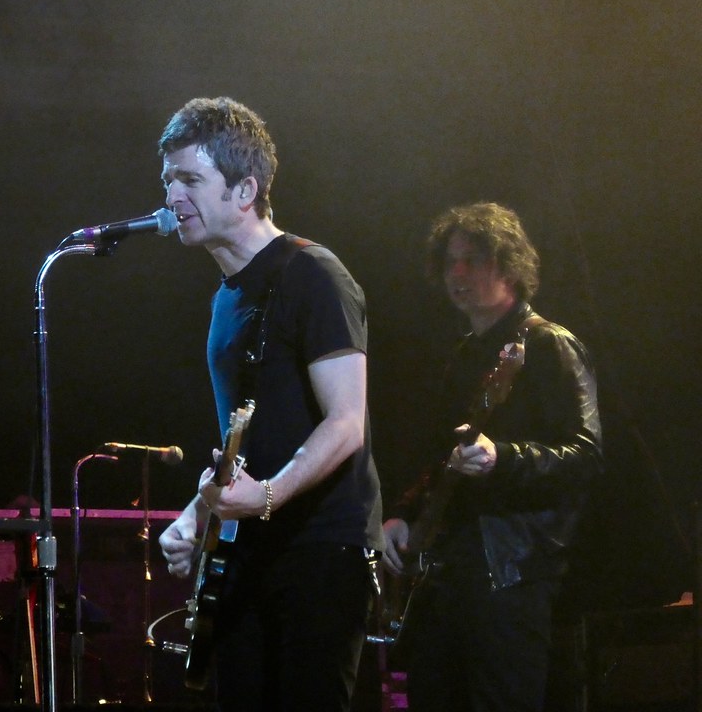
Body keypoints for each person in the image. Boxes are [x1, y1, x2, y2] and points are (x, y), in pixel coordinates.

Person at [156, 96, 383, 712]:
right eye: (168, 179)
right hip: (247, 553)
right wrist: (198, 512)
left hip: (321, 552)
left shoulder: (315, 274)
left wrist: (267, 497)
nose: (172, 196)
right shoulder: (225, 298)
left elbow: (347, 423)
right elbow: (250, 439)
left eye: (190, 180)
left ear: (245, 189)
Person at [380, 202, 603, 712]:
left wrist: (503, 457)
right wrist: (404, 514)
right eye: (450, 261)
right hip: (446, 572)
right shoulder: (464, 355)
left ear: (509, 266)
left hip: (511, 573)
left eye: (473, 260)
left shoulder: (550, 345)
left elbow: (587, 456)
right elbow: (441, 457)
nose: (457, 273)